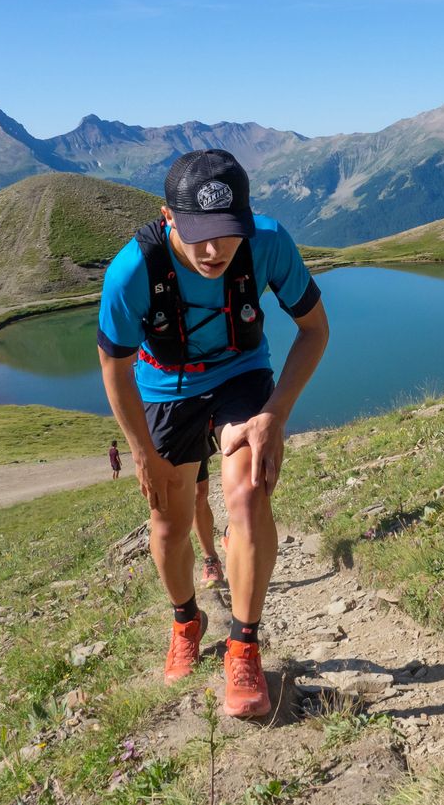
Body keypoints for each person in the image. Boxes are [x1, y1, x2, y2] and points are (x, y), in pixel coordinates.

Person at [97, 149, 328, 718]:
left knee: (248, 493)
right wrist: (143, 454)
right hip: (162, 388)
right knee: (169, 522)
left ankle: (243, 644)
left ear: (245, 222)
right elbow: (114, 367)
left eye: (225, 234)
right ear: (166, 217)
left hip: (241, 375)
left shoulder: (269, 243)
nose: (212, 250)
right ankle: (187, 620)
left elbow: (314, 330)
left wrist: (274, 413)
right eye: (197, 234)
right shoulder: (132, 271)